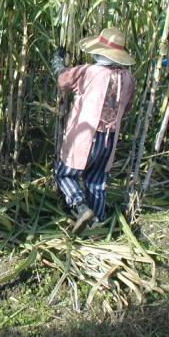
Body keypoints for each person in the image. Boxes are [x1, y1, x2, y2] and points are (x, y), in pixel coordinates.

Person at [52, 28, 135, 233]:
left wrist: (58, 61)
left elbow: (63, 80)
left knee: (65, 174)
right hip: (109, 139)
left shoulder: (89, 71)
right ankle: (97, 225)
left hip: (86, 136)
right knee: (97, 181)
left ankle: (80, 207)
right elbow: (128, 107)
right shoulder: (128, 79)